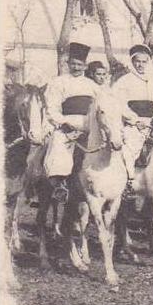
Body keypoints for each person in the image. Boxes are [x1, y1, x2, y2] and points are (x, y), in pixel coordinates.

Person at [43, 42, 101, 202]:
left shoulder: (92, 85)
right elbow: (52, 107)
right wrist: (63, 124)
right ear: (68, 64)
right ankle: (60, 183)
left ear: (85, 66)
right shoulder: (58, 82)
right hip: (66, 125)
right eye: (73, 64)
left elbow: (102, 105)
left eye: (79, 64)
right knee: (58, 143)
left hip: (89, 127)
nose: (76, 67)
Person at [113, 43, 153, 192]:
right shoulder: (124, 81)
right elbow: (119, 104)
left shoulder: (152, 81)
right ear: (132, 61)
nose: (141, 65)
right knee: (129, 151)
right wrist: (135, 120)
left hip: (151, 124)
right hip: (134, 124)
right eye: (138, 61)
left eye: (144, 61)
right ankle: (128, 185)